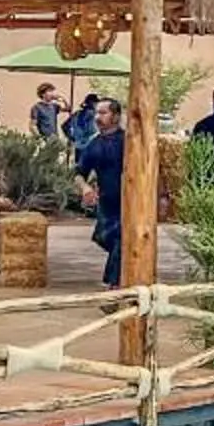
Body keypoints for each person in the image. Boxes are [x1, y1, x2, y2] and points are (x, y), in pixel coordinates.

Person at [75, 98, 127, 288]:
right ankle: (117, 283)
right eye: (97, 112)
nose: (97, 117)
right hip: (106, 203)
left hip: (128, 203)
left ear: (116, 116)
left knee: (122, 241)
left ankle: (113, 287)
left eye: (103, 113)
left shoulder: (129, 141)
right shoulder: (93, 144)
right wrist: (85, 188)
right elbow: (79, 173)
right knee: (105, 238)